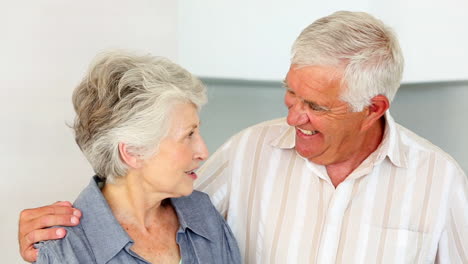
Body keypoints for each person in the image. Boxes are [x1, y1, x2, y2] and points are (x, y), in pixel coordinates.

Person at [19, 11, 467, 264]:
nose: (294, 117)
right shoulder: (249, 152)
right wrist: (51, 231)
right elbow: (151, 185)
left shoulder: (438, 180)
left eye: (315, 106)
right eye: (290, 93)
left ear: (372, 109)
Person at [22, 51, 241, 263]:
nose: (203, 152)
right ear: (133, 152)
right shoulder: (64, 249)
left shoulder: (203, 213)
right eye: (189, 135)